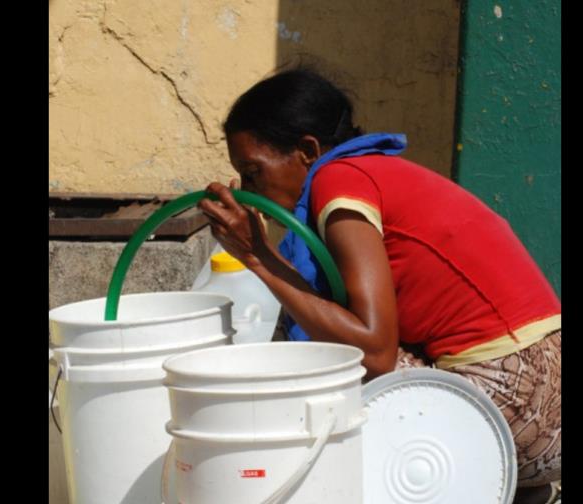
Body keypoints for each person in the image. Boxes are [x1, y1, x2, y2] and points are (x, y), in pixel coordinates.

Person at [198, 69, 561, 504]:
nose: (252, 190)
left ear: (307, 151)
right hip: (542, 388)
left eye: (254, 173)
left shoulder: (339, 185)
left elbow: (373, 350)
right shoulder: (371, 170)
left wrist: (257, 257)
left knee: (325, 375)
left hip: (517, 401)